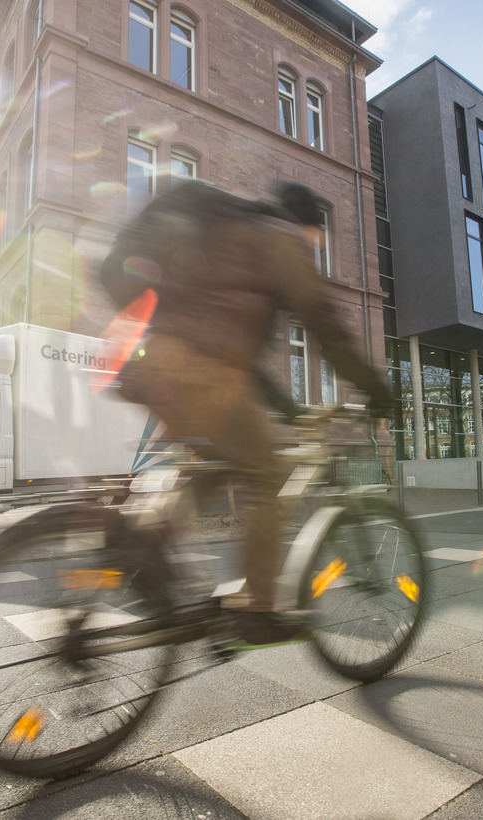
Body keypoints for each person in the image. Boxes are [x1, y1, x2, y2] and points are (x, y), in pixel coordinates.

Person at [100, 180, 394, 645]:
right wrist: (377, 388)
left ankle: (144, 545)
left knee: (218, 465)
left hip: (152, 362)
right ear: (308, 227)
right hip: (199, 371)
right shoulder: (280, 238)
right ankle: (257, 606)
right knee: (267, 473)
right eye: (317, 239)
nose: (315, 248)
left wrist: (289, 412)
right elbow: (324, 324)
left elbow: (246, 362)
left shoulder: (229, 234)